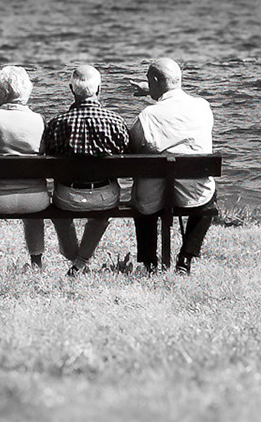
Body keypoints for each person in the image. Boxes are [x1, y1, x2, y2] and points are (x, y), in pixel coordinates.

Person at [127, 57, 216, 273]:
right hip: (195, 195)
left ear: (155, 80)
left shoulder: (148, 115)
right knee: (210, 198)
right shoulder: (203, 107)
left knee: (142, 192)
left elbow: (134, 147)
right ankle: (186, 257)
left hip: (155, 198)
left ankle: (149, 262)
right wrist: (153, 90)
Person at [41, 64, 130, 273]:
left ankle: (75, 259)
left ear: (72, 90)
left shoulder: (57, 123)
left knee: (59, 212)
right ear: (99, 89)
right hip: (104, 196)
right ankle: (80, 261)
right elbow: (128, 153)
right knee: (102, 212)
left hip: (67, 197)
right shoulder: (116, 122)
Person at [0, 65, 49, 270]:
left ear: (5, 92)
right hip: (35, 200)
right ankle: (36, 263)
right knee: (34, 202)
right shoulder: (39, 120)